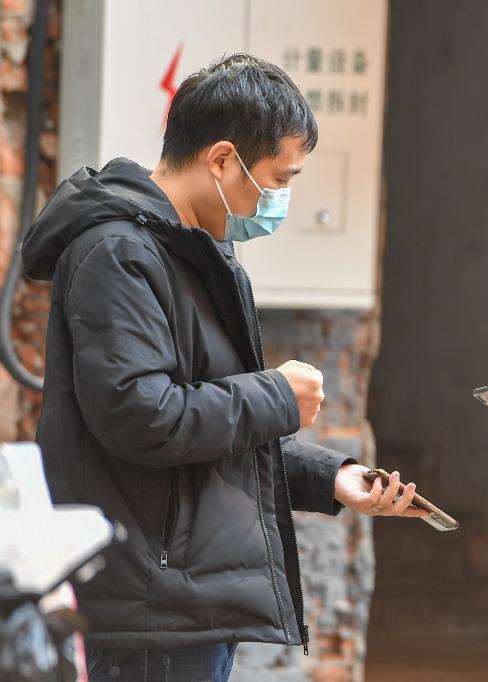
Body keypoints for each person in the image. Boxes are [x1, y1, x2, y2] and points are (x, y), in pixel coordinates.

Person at [20, 54, 427, 682]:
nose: (281, 199)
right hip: (147, 610)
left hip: (183, 601)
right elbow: (143, 417)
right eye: (278, 178)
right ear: (222, 159)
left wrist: (331, 476)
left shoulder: (194, 252)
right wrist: (279, 396)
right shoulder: (117, 252)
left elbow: (213, 428)